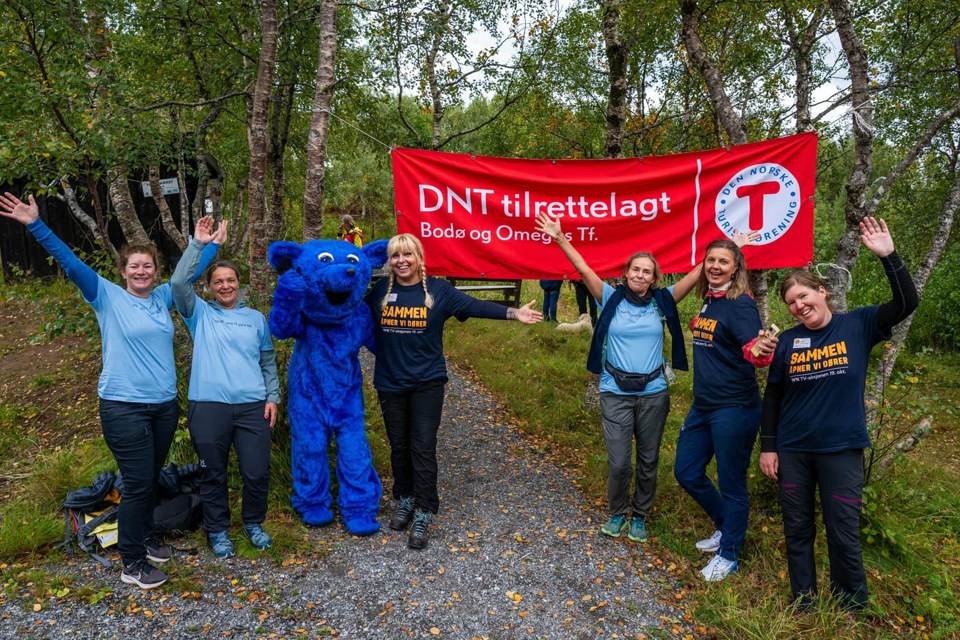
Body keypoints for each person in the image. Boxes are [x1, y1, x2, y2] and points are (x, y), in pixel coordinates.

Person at [0, 192, 220, 589]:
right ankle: (131, 562)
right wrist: (35, 224)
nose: (141, 271)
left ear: (155, 271)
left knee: (150, 478)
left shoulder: (162, 297)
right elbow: (69, 262)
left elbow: (184, 277)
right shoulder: (106, 295)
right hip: (123, 408)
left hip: (164, 406)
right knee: (137, 483)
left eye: (147, 266)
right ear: (122, 271)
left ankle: (147, 537)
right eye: (134, 266)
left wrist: (207, 245)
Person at [759, 217, 917, 612]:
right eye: (791, 303)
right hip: (794, 451)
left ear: (823, 292)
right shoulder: (788, 342)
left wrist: (889, 256)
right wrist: (768, 448)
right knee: (797, 529)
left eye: (803, 296)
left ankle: (851, 604)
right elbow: (773, 396)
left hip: (842, 449)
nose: (799, 306)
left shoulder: (858, 324)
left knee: (843, 531)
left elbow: (906, 303)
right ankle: (804, 600)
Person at [365, 233, 542, 550]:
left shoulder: (438, 291)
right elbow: (349, 314)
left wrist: (514, 313)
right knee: (399, 445)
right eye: (395, 256)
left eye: (408, 255)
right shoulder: (379, 291)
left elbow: (474, 305)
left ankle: (424, 510)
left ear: (419, 257)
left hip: (427, 383)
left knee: (422, 446)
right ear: (389, 261)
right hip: (390, 382)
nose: (401, 261)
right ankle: (404, 498)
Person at [535, 213, 698, 544]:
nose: (640, 274)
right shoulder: (610, 297)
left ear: (654, 278)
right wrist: (559, 237)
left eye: (646, 271)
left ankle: (640, 516)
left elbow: (694, 277)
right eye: (635, 269)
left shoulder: (663, 301)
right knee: (621, 462)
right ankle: (617, 511)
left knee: (649, 459)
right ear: (626, 273)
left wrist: (730, 247)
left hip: (653, 392)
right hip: (614, 391)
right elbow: (583, 270)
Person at [170, 217, 280, 560]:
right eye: (218, 281)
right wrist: (200, 244)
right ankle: (217, 531)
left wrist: (273, 397)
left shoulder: (256, 319)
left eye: (230, 279)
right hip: (208, 407)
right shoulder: (198, 313)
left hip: (252, 407)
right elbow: (177, 282)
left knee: (256, 471)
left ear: (239, 283)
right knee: (213, 473)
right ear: (210, 287)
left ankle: (253, 523)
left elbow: (267, 363)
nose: (225, 286)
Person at [673, 236, 776, 581]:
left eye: (724, 262)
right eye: (711, 260)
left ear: (736, 269)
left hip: (735, 407)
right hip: (703, 406)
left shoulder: (740, 305)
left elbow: (752, 350)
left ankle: (729, 554)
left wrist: (760, 349)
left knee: (732, 484)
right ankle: (726, 525)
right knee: (687, 471)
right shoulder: (709, 299)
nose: (716, 266)